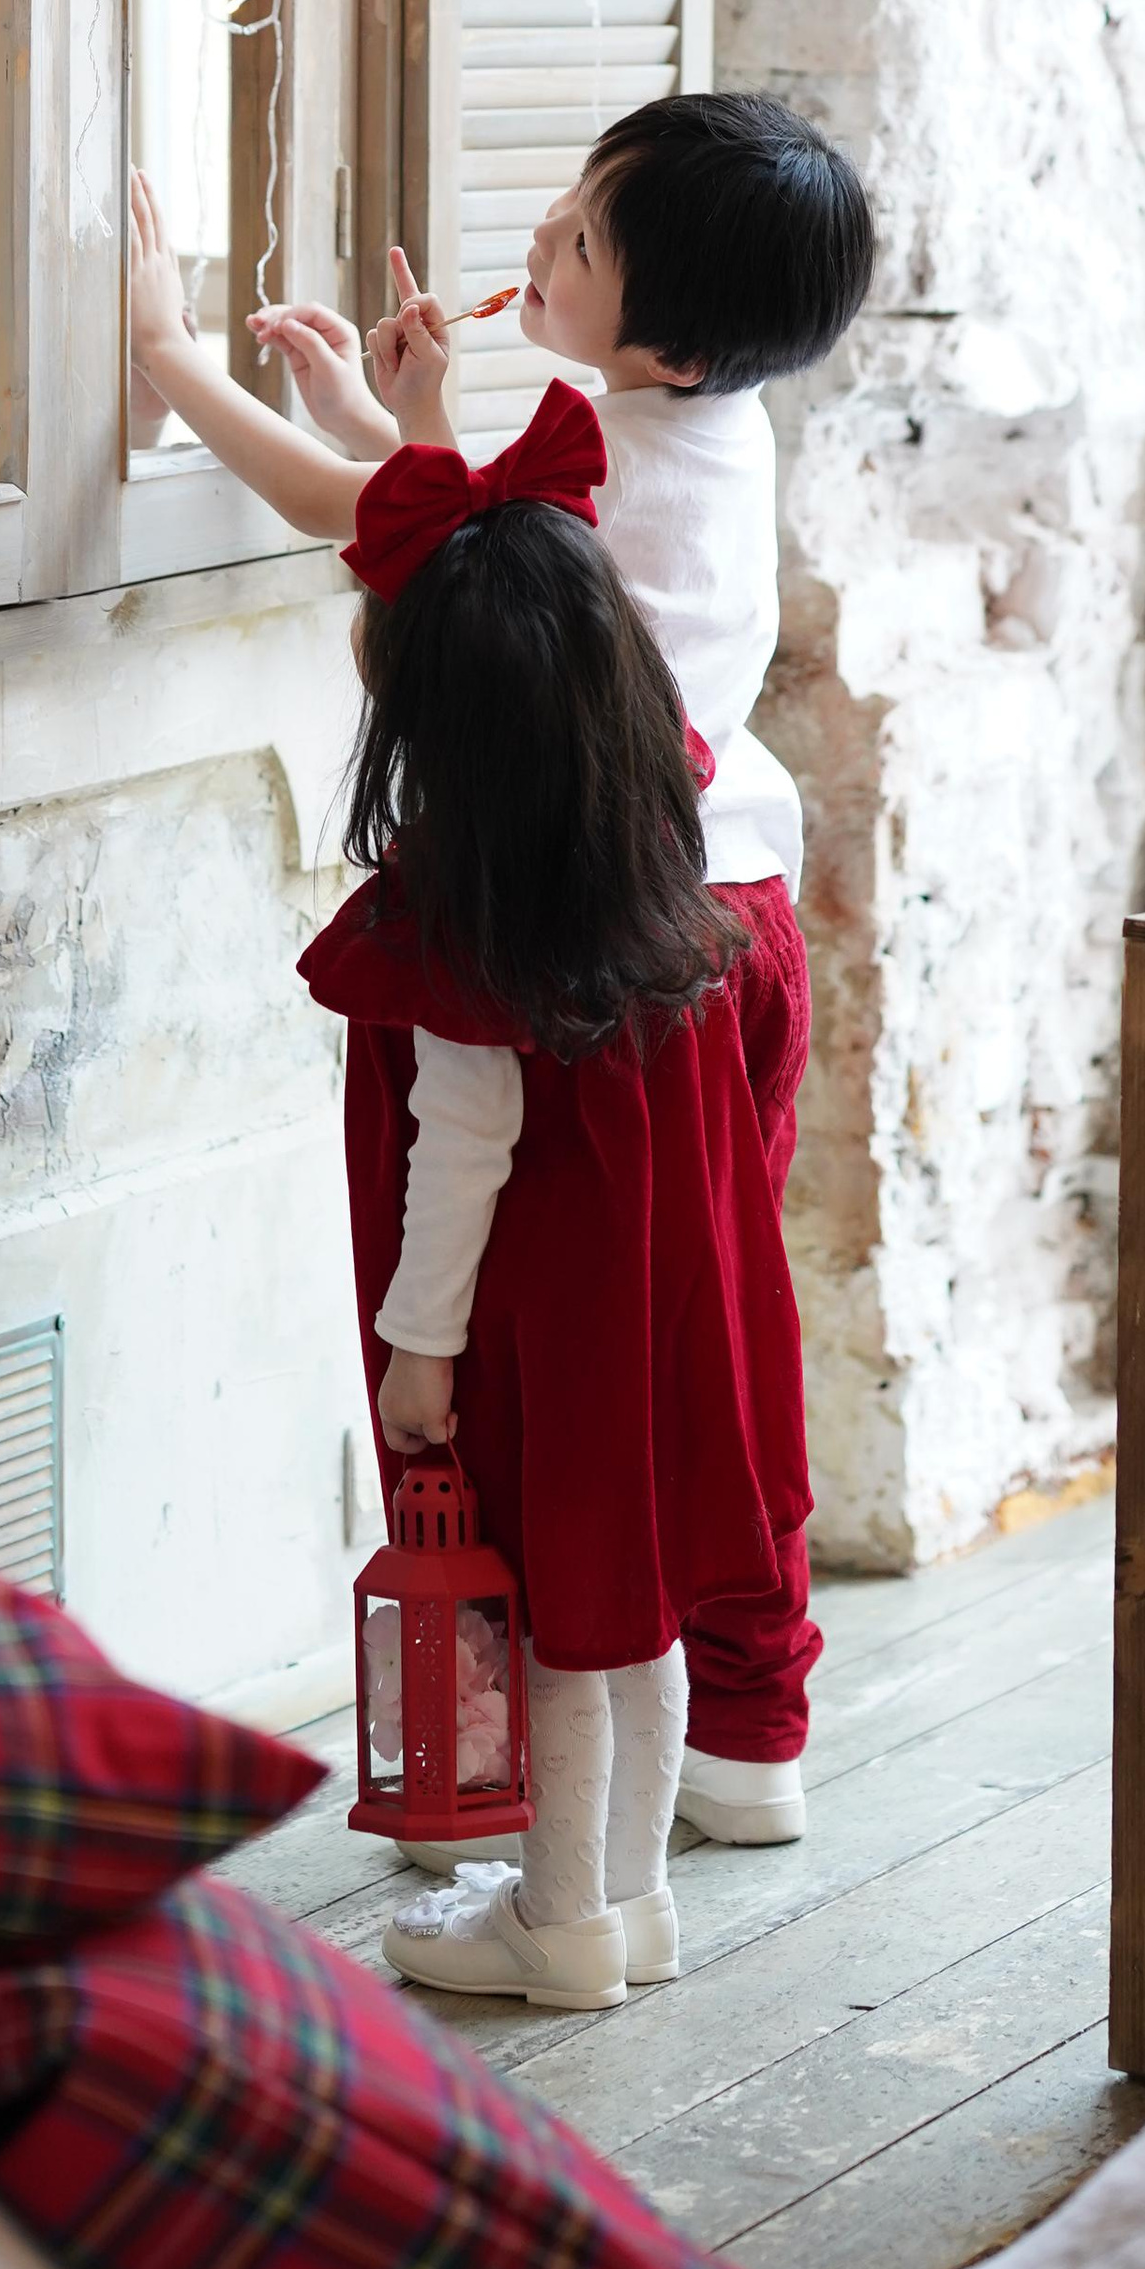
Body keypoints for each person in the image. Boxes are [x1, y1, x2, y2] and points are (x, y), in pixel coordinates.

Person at [129, 90, 873, 1838]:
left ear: (674, 341)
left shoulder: (598, 453)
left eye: (585, 239)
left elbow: (394, 534)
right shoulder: (705, 426)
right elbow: (455, 518)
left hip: (579, 954)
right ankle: (745, 1730)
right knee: (718, 1338)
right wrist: (396, 416)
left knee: (489, 1350)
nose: (539, 238)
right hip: (732, 927)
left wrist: (172, 361)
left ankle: (505, 1772)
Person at [301, 375, 811, 2007]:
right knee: (641, 1615)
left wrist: (418, 1346)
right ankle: (633, 1898)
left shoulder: (473, 927)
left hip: (549, 1333)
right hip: (679, 1313)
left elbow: (459, 1157)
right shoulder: (666, 874)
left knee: (564, 1632)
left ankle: (562, 1918)